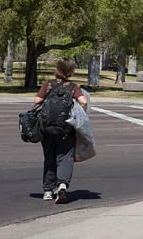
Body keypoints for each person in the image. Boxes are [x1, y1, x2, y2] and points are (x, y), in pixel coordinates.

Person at [34, 58, 88, 203]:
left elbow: (37, 101)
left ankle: (47, 191)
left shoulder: (48, 84)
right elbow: (84, 101)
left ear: (57, 69)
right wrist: (80, 116)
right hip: (65, 129)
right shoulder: (73, 87)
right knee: (65, 157)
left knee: (49, 157)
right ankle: (62, 185)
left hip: (47, 128)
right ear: (70, 71)